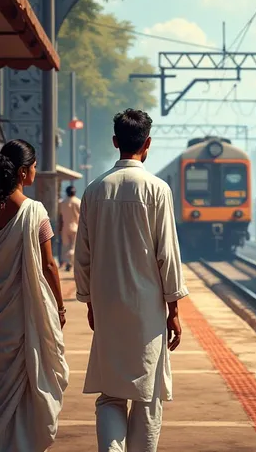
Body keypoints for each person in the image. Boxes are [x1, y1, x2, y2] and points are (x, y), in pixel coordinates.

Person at [74, 109, 188, 452]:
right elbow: (167, 254)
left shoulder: (94, 191)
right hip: (147, 310)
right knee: (147, 394)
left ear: (115, 142)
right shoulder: (158, 190)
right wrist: (174, 309)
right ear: (148, 144)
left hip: (107, 306)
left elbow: (83, 257)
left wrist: (91, 303)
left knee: (111, 395)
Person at [0, 139, 69, 452]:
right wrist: (60, 306)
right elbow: (50, 265)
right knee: (26, 382)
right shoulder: (34, 211)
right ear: (25, 171)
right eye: (36, 166)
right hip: (23, 314)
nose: (37, 172)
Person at [59, 184, 81, 272]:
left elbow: (60, 216)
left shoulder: (62, 202)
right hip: (76, 226)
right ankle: (70, 263)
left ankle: (68, 262)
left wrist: (59, 228)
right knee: (73, 247)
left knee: (66, 246)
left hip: (65, 227)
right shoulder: (78, 202)